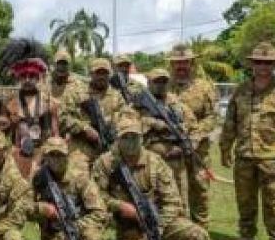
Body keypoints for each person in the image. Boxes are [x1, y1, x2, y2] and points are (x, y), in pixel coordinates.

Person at [220, 41, 275, 240]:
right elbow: (230, 121)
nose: (262, 67)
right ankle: (246, 237)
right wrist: (225, 147)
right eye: (259, 62)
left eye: (267, 63)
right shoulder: (240, 90)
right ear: (252, 65)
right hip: (244, 155)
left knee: (273, 202)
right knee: (245, 200)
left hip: (271, 157)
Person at [168, 45, 218, 230]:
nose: (181, 66)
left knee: (200, 190)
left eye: (185, 62)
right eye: (177, 62)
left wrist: (195, 137)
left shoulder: (204, 87)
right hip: (171, 150)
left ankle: (202, 233)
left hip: (198, 150)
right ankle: (179, 233)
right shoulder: (164, 86)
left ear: (192, 63)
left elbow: (212, 116)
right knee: (172, 191)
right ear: (172, 64)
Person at [0, 38, 59, 179]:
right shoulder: (7, 103)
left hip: (42, 156)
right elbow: (0, 136)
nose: (27, 80)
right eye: (23, 76)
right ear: (18, 77)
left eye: (31, 76)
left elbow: (55, 136)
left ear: (38, 77)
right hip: (16, 155)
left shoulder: (50, 103)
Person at [139, 68, 197, 216]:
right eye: (156, 81)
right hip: (149, 162)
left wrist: (186, 144)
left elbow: (193, 126)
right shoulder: (139, 102)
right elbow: (128, 123)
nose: (160, 85)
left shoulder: (175, 102)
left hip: (176, 161)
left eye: (164, 81)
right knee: (152, 200)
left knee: (180, 202)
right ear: (149, 83)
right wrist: (153, 123)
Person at [64, 57, 126, 168]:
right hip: (82, 145)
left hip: (111, 145)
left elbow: (127, 119)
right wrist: (84, 128)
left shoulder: (118, 97)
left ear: (110, 74)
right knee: (77, 170)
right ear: (91, 74)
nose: (101, 76)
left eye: (105, 73)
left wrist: (115, 129)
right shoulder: (77, 93)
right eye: (98, 73)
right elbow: (63, 118)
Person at [49, 48, 87, 118]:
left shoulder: (79, 85)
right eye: (59, 63)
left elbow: (85, 110)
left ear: (69, 66)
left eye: (64, 64)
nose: (61, 67)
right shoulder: (46, 82)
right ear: (54, 64)